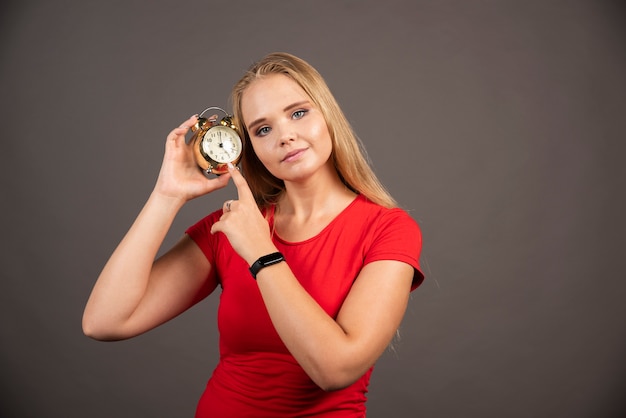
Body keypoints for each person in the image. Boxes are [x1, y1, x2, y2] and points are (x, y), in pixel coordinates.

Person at [82, 52, 424, 417]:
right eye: (263, 129)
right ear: (250, 150)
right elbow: (104, 321)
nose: (285, 136)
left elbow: (335, 369)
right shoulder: (232, 227)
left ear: (328, 115)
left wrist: (262, 253)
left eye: (298, 113)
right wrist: (167, 195)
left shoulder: (389, 229)